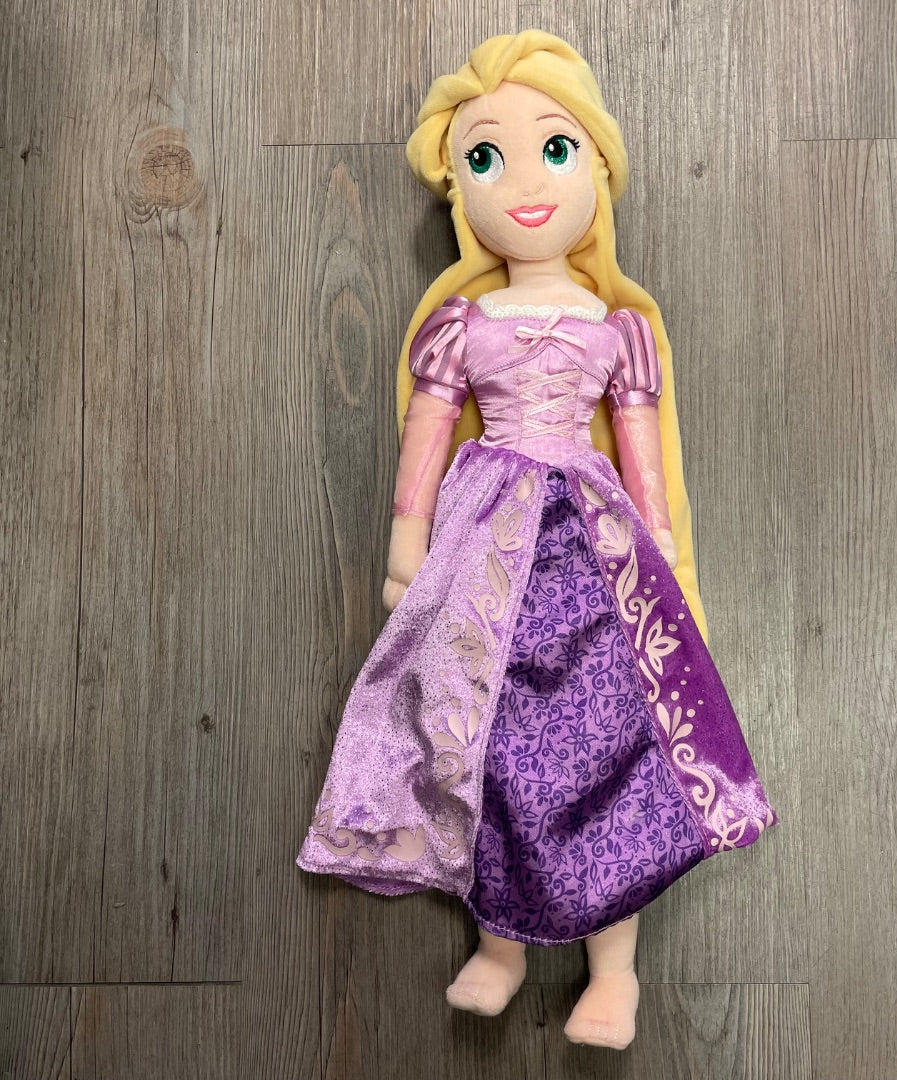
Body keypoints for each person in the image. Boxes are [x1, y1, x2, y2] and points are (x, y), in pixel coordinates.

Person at [296, 30, 777, 1050]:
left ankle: (615, 973)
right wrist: (405, 552)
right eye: (486, 157)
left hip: (597, 554)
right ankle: (502, 947)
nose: (522, 182)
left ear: (596, 168)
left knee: (616, 752)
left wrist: (668, 574)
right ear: (457, 188)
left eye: (554, 150)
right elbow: (426, 436)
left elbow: (645, 466)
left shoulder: (617, 331)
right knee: (489, 746)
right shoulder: (464, 326)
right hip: (486, 549)